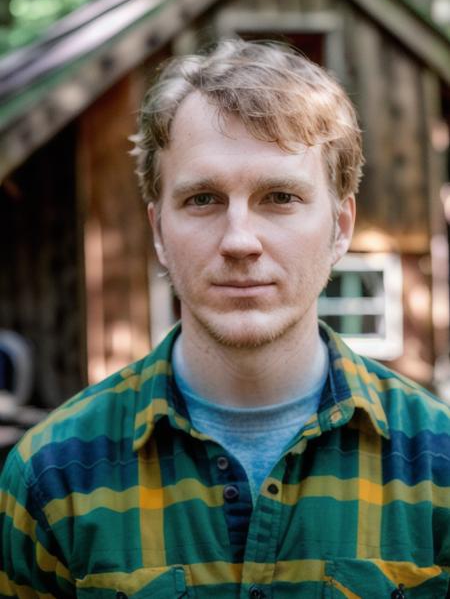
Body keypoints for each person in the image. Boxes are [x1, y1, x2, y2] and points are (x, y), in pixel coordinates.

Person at [1, 40, 449, 599]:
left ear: (340, 226)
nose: (240, 241)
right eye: (204, 199)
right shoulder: (52, 475)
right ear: (160, 231)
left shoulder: (440, 467)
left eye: (280, 196)